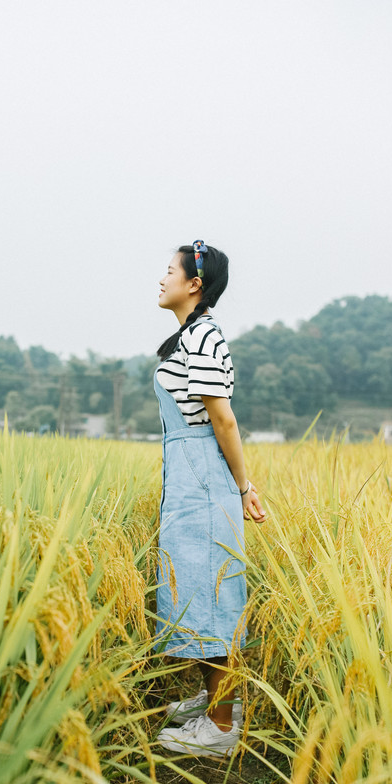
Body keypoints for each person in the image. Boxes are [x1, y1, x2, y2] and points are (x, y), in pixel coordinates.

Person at [153, 240, 266, 757]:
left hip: (201, 476)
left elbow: (222, 418)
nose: (161, 278)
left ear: (194, 284)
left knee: (210, 594)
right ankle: (214, 697)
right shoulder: (188, 336)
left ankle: (221, 729)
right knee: (195, 589)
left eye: (170, 270)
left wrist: (243, 488)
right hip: (186, 473)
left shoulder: (204, 336)